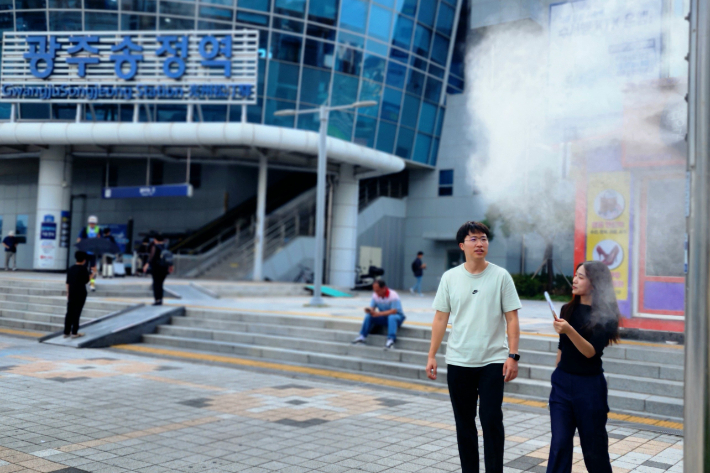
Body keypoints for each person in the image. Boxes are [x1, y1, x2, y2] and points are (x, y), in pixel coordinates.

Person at [426, 221, 522, 473]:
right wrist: (432, 355)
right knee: (464, 423)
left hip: (493, 360)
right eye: (473, 239)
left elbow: (512, 318)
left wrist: (513, 356)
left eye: (484, 239)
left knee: (491, 419)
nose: (480, 243)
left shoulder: (501, 276)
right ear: (462, 246)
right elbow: (440, 319)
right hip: (459, 360)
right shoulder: (450, 278)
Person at [546, 261, 620, 473]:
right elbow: (563, 347)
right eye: (575, 275)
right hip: (562, 383)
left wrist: (568, 330)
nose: (574, 280)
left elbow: (590, 351)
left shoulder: (606, 315)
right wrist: (557, 373)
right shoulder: (567, 309)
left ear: (595, 284)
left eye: (581, 277)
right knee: (559, 444)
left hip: (589, 387)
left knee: (593, 448)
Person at [351, 280, 406, 350]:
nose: (376, 293)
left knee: (392, 317)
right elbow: (372, 307)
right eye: (375, 290)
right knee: (369, 316)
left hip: (397, 317)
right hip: (384, 317)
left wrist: (378, 314)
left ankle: (391, 340)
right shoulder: (375, 295)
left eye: (378, 290)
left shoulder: (393, 295)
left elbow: (394, 311)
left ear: (384, 288)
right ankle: (362, 337)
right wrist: (369, 310)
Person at [64, 251, 90, 339]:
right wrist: (93, 273)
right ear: (84, 260)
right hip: (81, 293)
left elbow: (67, 282)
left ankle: (66, 332)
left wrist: (68, 292)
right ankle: (74, 332)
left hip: (71, 292)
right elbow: (86, 281)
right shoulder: (83, 269)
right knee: (77, 312)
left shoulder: (71, 268)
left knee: (69, 312)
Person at [143, 233, 173, 306]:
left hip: (156, 268)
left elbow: (152, 257)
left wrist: (147, 264)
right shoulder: (166, 246)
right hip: (165, 268)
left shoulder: (155, 247)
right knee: (161, 284)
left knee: (156, 283)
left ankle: (157, 300)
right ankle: (161, 299)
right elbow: (170, 257)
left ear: (155, 239)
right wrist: (171, 266)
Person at [76, 215, 101, 292]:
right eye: (91, 223)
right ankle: (82, 282)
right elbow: (79, 238)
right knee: (83, 268)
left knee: (93, 269)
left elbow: (100, 240)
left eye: (93, 223)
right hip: (85, 252)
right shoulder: (85, 229)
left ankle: (92, 283)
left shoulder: (98, 230)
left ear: (95, 223)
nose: (92, 224)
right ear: (88, 223)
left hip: (93, 253)